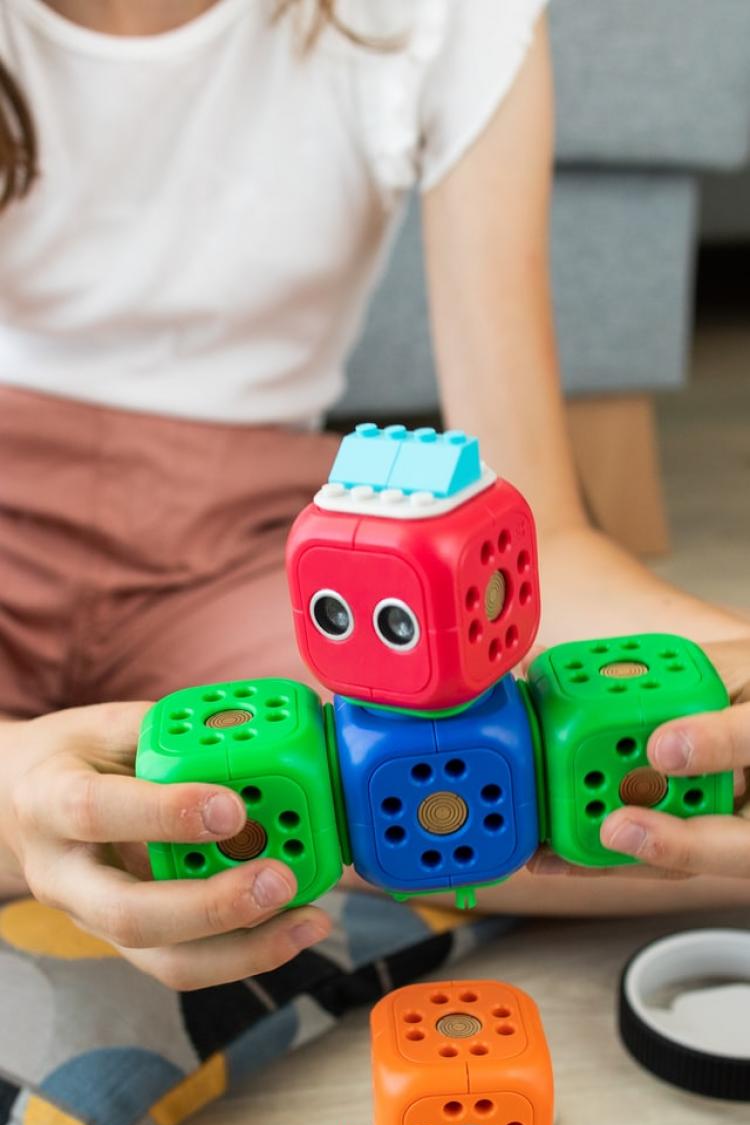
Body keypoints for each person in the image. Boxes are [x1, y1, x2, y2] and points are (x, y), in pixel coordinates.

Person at [0, 0, 747, 997]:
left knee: (613, 817)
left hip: (260, 548)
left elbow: (538, 548)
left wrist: (723, 680)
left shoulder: (439, 16)